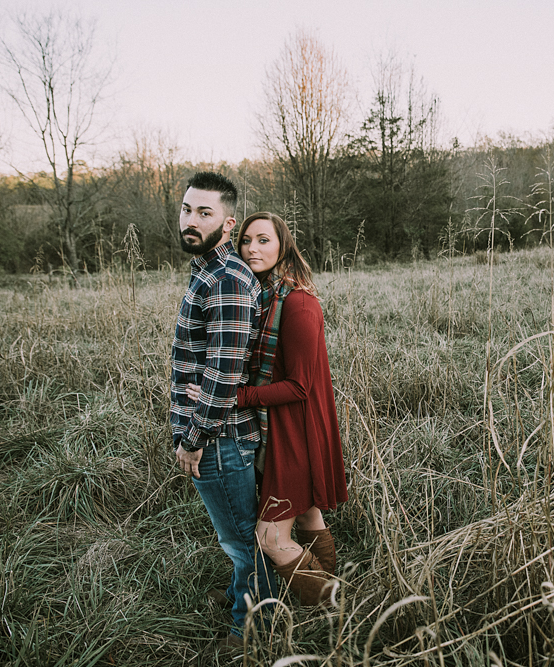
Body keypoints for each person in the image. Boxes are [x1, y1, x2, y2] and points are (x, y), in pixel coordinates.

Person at [188, 211, 348, 607]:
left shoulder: (297, 304)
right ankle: (323, 590)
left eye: (263, 240)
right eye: (246, 240)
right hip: (279, 428)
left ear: (283, 246)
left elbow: (299, 386)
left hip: (297, 433)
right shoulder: (264, 297)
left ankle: (331, 602)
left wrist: (234, 396)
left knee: (269, 537)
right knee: (308, 516)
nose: (252, 248)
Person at [169, 172, 276, 648]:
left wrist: (192, 440)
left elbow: (223, 375)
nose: (191, 220)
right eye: (187, 209)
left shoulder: (228, 280)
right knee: (237, 536)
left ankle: (251, 630)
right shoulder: (208, 272)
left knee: (243, 542)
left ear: (228, 223)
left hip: (220, 439)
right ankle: (241, 596)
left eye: (204, 212)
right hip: (218, 436)